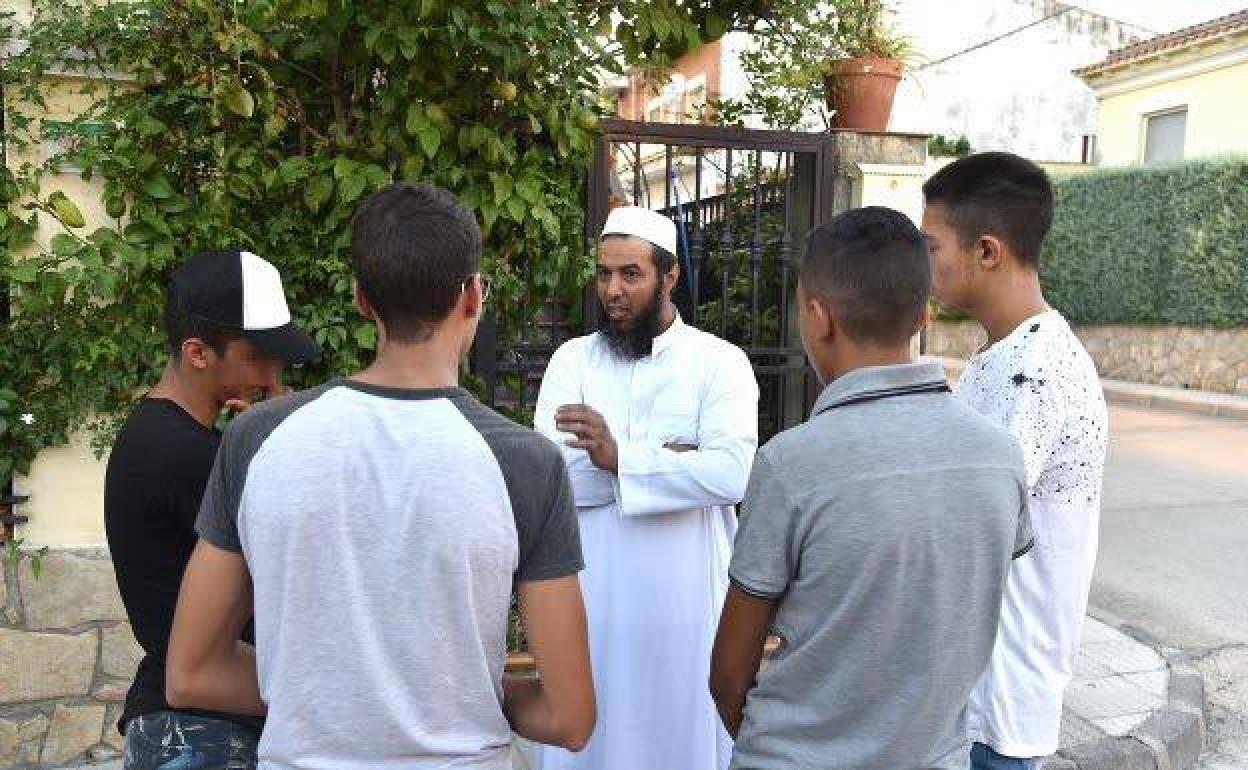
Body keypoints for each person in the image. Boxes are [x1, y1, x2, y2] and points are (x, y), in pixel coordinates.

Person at [165, 183, 596, 769]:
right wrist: (464, 692)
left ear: (361, 299)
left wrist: (323, 701)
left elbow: (191, 673)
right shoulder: (525, 462)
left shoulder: (258, 439)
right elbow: (570, 719)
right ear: (472, 296)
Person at [710, 207, 1035, 770]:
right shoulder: (1001, 456)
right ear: (923, 315)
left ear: (817, 317)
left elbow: (728, 676)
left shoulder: (791, 465)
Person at [531, 206, 759, 770]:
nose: (613, 289)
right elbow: (551, 478)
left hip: (683, 610)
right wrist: (668, 465)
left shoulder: (720, 364)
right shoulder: (572, 361)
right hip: (591, 604)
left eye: (630, 274)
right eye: (604, 273)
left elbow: (731, 474)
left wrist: (618, 457)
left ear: (669, 276)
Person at [922, 153, 1109, 770]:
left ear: (988, 251)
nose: (924, 265)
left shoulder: (1035, 371)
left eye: (932, 246)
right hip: (977, 682)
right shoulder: (1000, 357)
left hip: (1000, 692)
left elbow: (972, 525)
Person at [105, 248, 320, 769]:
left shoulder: (158, 434)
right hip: (202, 730)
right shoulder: (189, 455)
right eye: (258, 355)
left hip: (184, 720)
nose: (273, 373)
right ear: (198, 353)